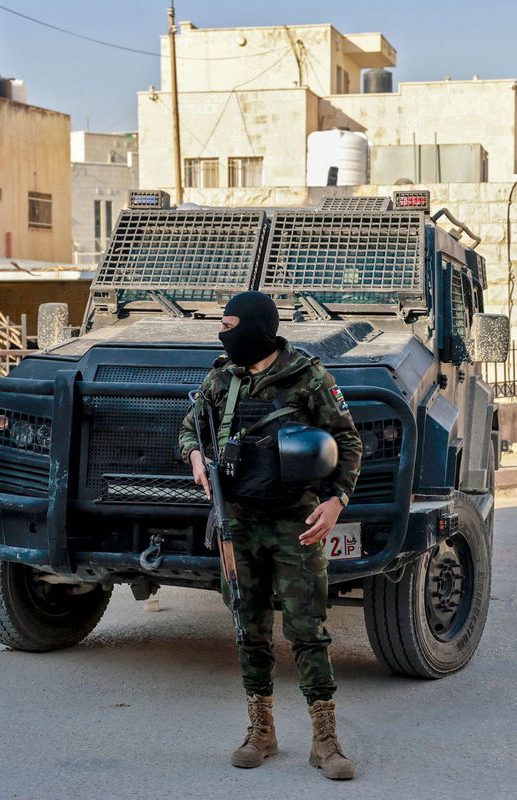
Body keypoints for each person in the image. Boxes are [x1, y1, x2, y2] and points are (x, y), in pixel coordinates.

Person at [178, 291, 363, 780]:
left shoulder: (308, 377)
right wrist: (196, 457)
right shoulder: (221, 377)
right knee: (248, 625)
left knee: (307, 629)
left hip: (295, 521)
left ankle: (325, 740)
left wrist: (336, 499)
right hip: (236, 521)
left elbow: (347, 439)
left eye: (231, 323)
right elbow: (188, 430)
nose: (223, 332)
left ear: (259, 327)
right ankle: (260, 730)